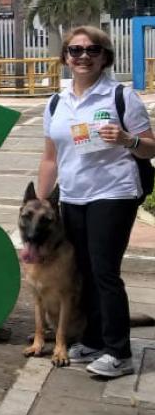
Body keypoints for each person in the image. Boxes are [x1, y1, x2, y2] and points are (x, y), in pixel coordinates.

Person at [37, 25, 154, 379]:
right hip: (72, 197)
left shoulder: (120, 96)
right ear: (65, 58)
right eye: (75, 50)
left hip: (114, 193)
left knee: (104, 272)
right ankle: (91, 339)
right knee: (81, 272)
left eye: (92, 50)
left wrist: (127, 139)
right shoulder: (57, 101)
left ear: (105, 57)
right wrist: (42, 202)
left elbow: (151, 145)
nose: (83, 57)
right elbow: (50, 158)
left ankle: (119, 352)